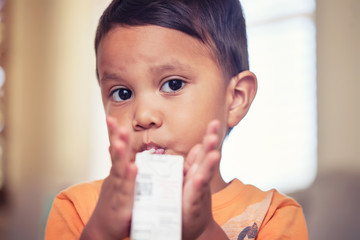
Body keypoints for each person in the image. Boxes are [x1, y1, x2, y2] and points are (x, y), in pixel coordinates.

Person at [45, 0, 308, 239]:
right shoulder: (78, 209)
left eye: (172, 85)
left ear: (236, 98)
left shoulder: (271, 216)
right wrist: (99, 233)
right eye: (122, 93)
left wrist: (205, 232)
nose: (143, 116)